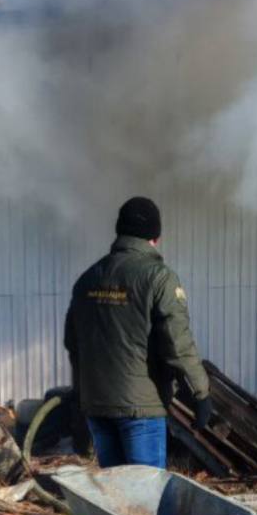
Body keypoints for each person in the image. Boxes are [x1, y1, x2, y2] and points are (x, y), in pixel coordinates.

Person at [64, 196, 215, 470]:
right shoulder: (159, 277)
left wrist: (80, 397)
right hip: (141, 409)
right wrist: (200, 394)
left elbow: (73, 343)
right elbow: (177, 342)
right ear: (155, 237)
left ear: (119, 231)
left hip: (97, 407)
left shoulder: (87, 279)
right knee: (148, 490)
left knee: (115, 490)